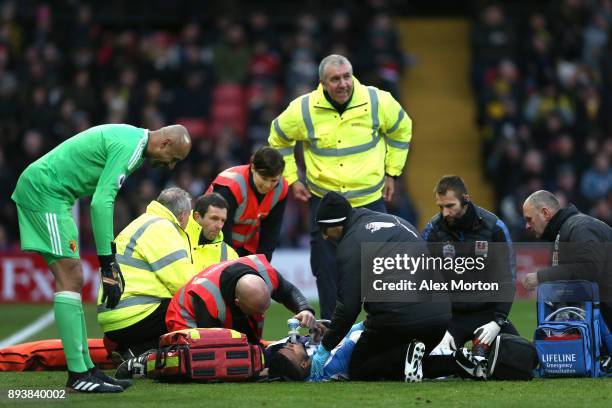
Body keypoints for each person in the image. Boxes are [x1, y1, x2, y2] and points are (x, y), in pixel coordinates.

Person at [11, 123, 191, 393]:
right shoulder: (132, 147)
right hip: (45, 191)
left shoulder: (133, 143)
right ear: (164, 143)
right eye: (174, 158)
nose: (171, 166)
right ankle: (78, 373)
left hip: (55, 194)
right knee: (70, 276)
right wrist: (108, 263)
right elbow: (101, 202)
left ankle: (85, 369)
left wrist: (109, 262)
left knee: (73, 277)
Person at [268, 54, 412, 319]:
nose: (344, 84)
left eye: (347, 76)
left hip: (369, 201)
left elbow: (403, 129)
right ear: (322, 83)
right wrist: (292, 179)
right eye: (335, 79)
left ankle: (380, 327)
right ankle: (330, 333)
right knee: (327, 270)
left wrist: (393, 171)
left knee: (378, 269)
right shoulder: (303, 109)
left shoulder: (378, 100)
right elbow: (278, 138)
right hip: (324, 203)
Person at [308, 192, 454, 382]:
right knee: (409, 360)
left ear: (336, 224)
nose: (324, 237)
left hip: (401, 322)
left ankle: (409, 357)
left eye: (324, 229)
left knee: (361, 368)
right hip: (440, 318)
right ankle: (456, 362)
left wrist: (325, 347)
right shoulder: (394, 221)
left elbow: (349, 307)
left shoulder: (350, 245)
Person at [422, 175, 518, 355]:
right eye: (440, 207)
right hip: (449, 318)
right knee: (428, 363)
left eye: (450, 206)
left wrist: (498, 322)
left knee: (522, 358)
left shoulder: (494, 228)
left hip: (487, 314)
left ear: (466, 199)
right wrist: (436, 323)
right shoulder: (432, 231)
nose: (445, 213)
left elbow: (507, 278)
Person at [97, 187, 195, 359]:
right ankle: (139, 352)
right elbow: (182, 283)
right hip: (133, 315)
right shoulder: (164, 228)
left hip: (113, 316)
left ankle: (129, 349)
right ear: (183, 215)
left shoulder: (140, 223)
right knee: (191, 304)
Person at [165, 254, 316, 345]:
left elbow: (287, 291)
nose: (260, 316)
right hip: (185, 318)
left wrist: (304, 309)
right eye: (255, 312)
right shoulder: (207, 297)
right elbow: (212, 345)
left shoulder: (266, 273)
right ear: (237, 303)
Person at [522, 190, 612, 327]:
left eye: (529, 219)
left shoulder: (581, 227)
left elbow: (589, 268)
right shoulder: (563, 232)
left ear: (545, 213)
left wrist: (541, 277)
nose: (527, 226)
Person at [207, 146, 288, 261]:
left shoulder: (281, 189)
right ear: (253, 167)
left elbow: (270, 234)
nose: (268, 185)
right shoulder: (231, 186)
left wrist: (262, 265)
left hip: (245, 249)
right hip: (211, 246)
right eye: (264, 178)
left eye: (274, 180)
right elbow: (220, 229)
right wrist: (232, 266)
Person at [185, 192, 239, 270]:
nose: (220, 226)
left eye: (223, 220)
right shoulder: (174, 236)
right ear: (197, 217)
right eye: (214, 218)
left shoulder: (231, 255)